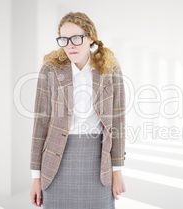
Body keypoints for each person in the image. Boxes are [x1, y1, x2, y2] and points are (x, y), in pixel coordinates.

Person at [29, 11, 126, 208]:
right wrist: (35, 178)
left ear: (90, 37)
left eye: (76, 38)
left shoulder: (110, 68)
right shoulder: (50, 70)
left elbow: (118, 122)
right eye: (64, 40)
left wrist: (117, 170)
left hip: (98, 161)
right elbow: (40, 125)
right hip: (55, 162)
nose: (70, 45)